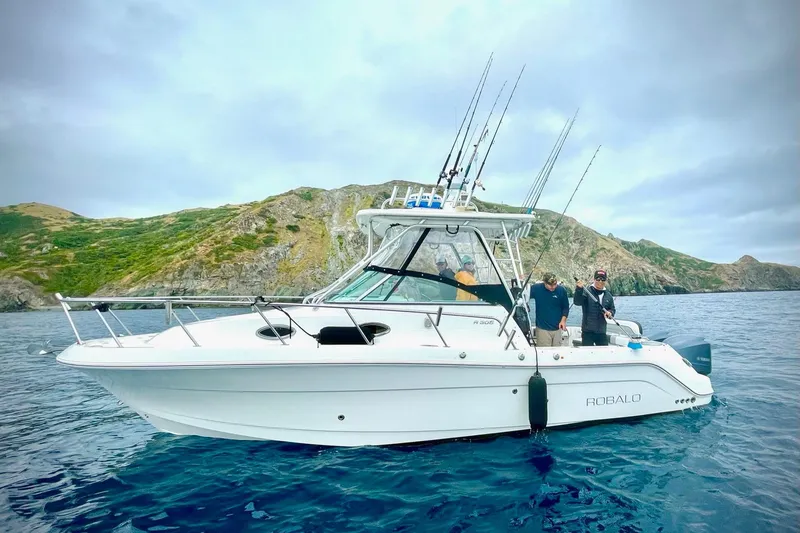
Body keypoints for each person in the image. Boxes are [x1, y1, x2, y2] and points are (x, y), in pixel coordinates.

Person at [573, 269, 616, 346]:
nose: (600, 281)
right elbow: (577, 302)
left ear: (605, 281)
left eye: (603, 279)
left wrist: (610, 313)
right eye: (598, 279)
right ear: (594, 279)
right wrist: (579, 289)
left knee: (604, 354)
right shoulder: (587, 292)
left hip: (601, 331)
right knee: (588, 354)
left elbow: (612, 309)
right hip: (588, 331)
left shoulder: (608, 295)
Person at [529, 272, 569, 346]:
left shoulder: (561, 290)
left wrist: (563, 321)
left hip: (557, 328)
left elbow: (566, 307)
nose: (553, 287)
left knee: (557, 353)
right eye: (550, 285)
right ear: (544, 282)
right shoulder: (536, 288)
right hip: (542, 329)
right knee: (544, 353)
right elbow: (524, 296)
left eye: (555, 284)